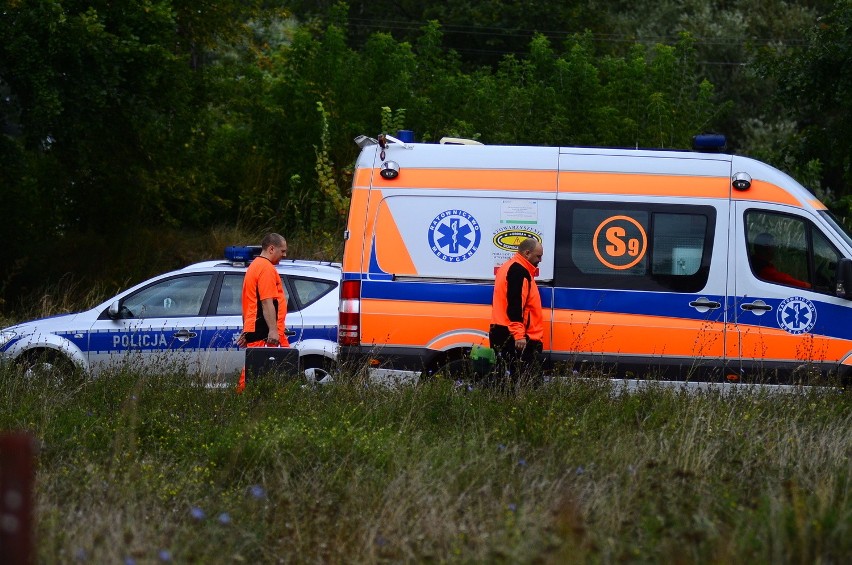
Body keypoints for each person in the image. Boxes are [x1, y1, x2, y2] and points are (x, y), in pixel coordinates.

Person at [235, 233, 289, 393]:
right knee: (256, 373)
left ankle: (275, 405)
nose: (284, 255)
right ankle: (241, 403)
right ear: (272, 248)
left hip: (260, 328)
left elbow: (249, 303)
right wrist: (273, 330)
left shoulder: (255, 266)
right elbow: (266, 302)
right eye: (283, 251)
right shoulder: (265, 268)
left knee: (281, 369)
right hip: (265, 330)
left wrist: (247, 330)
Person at [489, 237, 544, 385]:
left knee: (505, 382)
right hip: (515, 336)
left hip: (503, 331)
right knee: (529, 383)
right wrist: (519, 335)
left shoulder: (510, 266)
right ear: (527, 253)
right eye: (538, 256)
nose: (540, 260)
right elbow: (515, 305)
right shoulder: (519, 271)